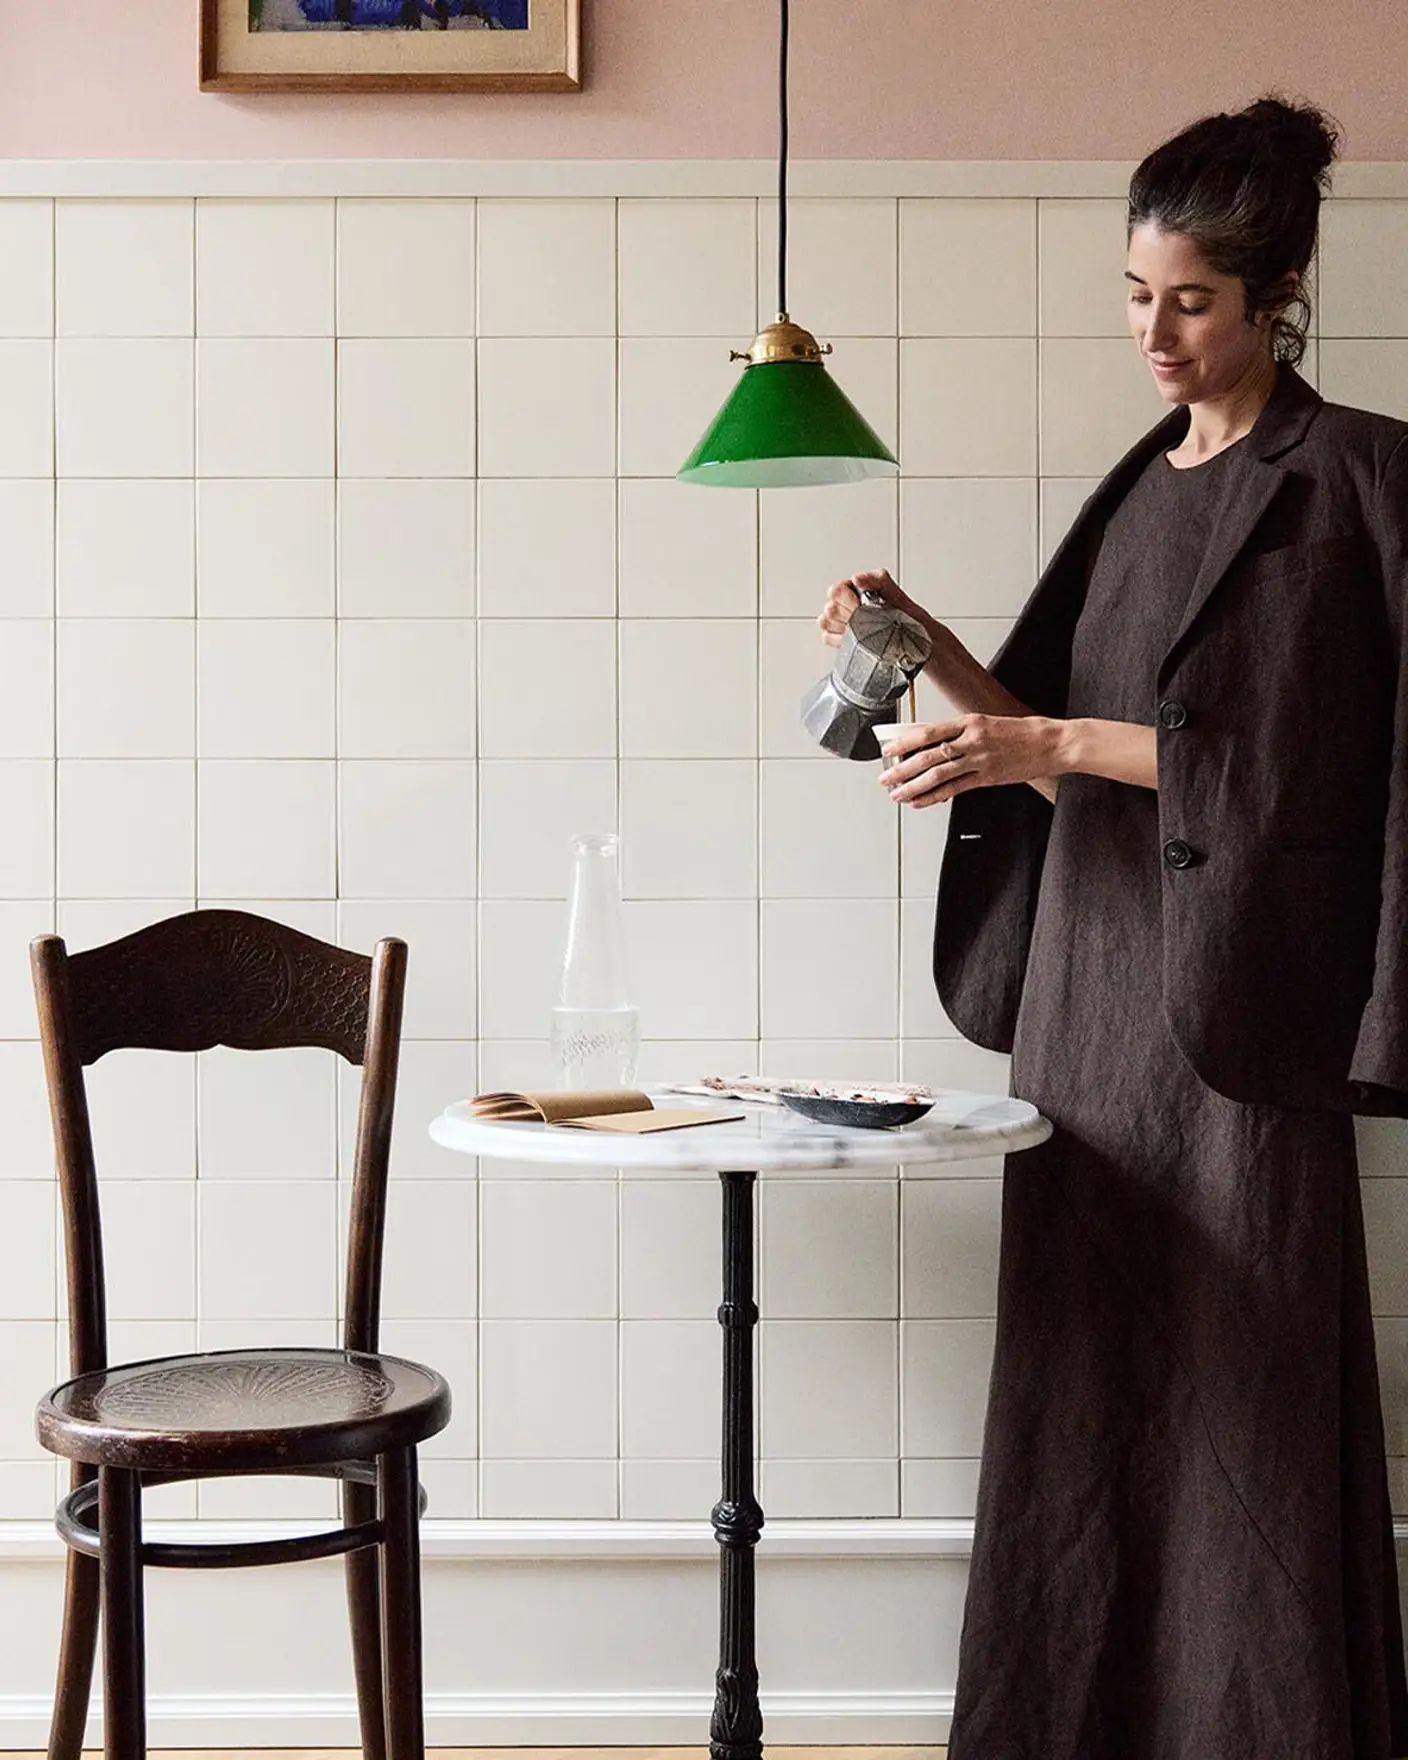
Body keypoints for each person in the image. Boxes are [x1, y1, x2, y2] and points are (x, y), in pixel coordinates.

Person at [819, 95, 1408, 1758]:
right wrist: (929, 648)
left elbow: (1317, 774)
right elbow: (1064, 745)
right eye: (1135, 296)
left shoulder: (1359, 474)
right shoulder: (1143, 491)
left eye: (1193, 302)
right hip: (1089, 992)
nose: (1154, 334)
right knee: (1087, 1382)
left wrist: (1049, 744)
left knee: (1258, 1380)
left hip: (1238, 1014)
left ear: (1276, 289)